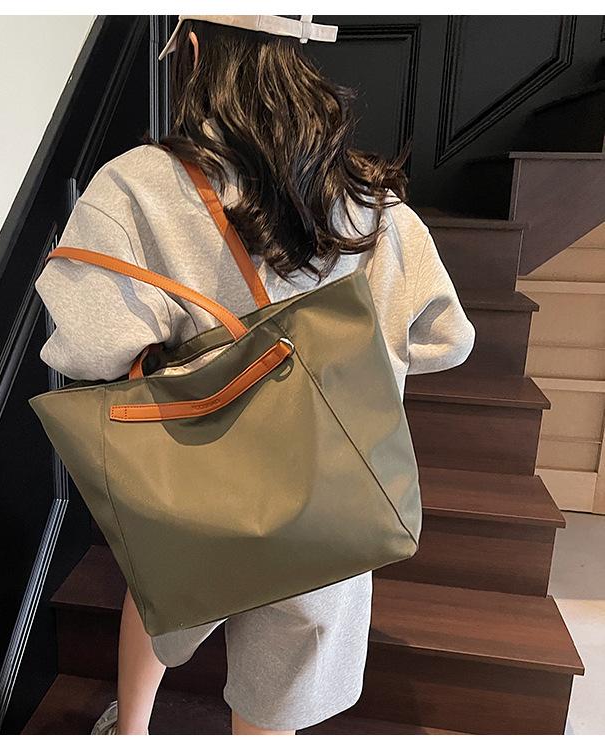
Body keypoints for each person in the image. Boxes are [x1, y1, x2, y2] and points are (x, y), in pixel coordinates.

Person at [33, 15, 476, 736]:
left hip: (197, 477)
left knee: (162, 586)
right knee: (276, 706)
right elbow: (446, 338)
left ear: (193, 50)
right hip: (330, 497)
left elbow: (94, 345)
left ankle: (130, 732)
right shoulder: (368, 195)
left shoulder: (137, 185)